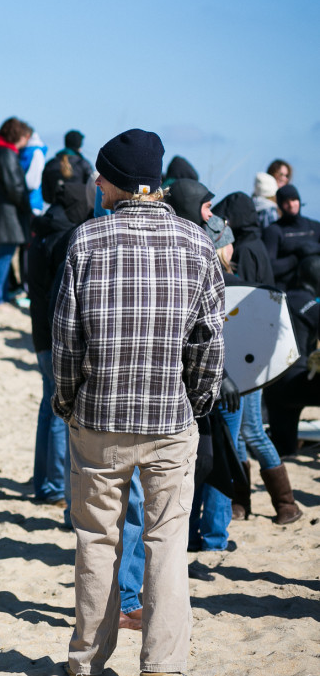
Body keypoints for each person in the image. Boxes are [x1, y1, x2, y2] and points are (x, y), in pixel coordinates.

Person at [53, 128, 224, 676]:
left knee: (97, 543)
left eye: (100, 175)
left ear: (117, 182)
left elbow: (66, 341)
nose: (94, 183)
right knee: (167, 545)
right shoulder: (197, 243)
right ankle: (162, 665)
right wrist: (194, 404)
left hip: (99, 418)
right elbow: (208, 343)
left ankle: (87, 663)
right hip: (170, 419)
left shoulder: (87, 241)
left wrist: (67, 404)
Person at [210, 193, 302, 525]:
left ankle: (284, 503)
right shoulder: (258, 243)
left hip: (247, 358)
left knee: (249, 430)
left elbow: (242, 306)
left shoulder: (246, 250)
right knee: (246, 431)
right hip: (256, 354)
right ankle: (244, 502)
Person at [26, 181, 90, 505]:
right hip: (54, 333)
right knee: (59, 414)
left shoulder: (40, 231)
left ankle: (44, 483)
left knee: (46, 410)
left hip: (38, 330)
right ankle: (53, 486)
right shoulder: (67, 237)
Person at [263, 255, 320, 460]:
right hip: (300, 382)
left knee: (284, 449)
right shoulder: (313, 307)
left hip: (271, 385)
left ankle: (286, 454)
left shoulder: (279, 299)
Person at [0, 117, 32, 306]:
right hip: (9, 216)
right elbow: (15, 188)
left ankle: (1, 294)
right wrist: (26, 207)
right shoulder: (7, 154)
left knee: (3, 256)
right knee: (4, 257)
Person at [261, 184, 320, 290]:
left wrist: (315, 249)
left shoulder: (314, 227)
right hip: (287, 291)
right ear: (280, 205)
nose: (291, 204)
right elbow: (269, 268)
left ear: (299, 201)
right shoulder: (273, 231)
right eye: (286, 202)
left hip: (315, 291)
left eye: (294, 199)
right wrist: (295, 258)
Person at [41, 129, 94, 206]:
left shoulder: (50, 164)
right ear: (79, 145)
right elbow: (91, 190)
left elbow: (46, 196)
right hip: (80, 212)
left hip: (55, 212)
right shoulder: (83, 164)